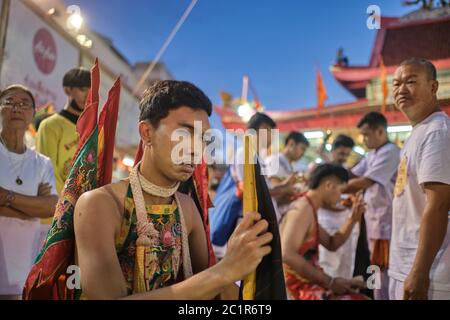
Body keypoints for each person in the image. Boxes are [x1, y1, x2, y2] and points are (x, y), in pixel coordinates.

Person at [73, 80, 273, 299]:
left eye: (204, 139)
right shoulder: (100, 204)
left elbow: (216, 289)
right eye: (185, 134)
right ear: (146, 132)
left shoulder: (186, 208)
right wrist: (223, 272)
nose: (197, 149)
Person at [389, 58, 450, 300]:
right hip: (404, 265)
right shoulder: (419, 131)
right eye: (396, 84)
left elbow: (439, 205)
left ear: (433, 87)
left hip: (430, 273)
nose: (401, 90)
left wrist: (420, 271)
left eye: (411, 82)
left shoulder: (437, 132)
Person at [210, 112, 296, 259]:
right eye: (270, 132)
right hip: (246, 221)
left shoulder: (255, 156)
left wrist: (284, 186)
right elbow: (252, 189)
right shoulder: (245, 153)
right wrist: (284, 188)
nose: (272, 137)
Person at [0, 85, 58, 299]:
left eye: (24, 104)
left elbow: (51, 207)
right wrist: (32, 208)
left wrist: (7, 197)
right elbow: (41, 208)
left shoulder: (41, 163)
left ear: (33, 113)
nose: (17, 108)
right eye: (9, 102)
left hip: (22, 269)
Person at [281, 163, 367, 300]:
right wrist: (330, 282)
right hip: (297, 288)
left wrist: (353, 219)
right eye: (340, 191)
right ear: (328, 186)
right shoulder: (302, 209)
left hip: (308, 283)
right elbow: (287, 254)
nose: (340, 198)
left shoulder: (309, 207)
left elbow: (332, 243)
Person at [345, 112, 400, 300]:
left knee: (384, 269)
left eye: (367, 134)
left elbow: (365, 181)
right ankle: (377, 296)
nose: (364, 139)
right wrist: (332, 173)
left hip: (386, 223)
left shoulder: (391, 151)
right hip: (373, 222)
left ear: (380, 131)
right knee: (375, 268)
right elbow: (352, 174)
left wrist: (335, 187)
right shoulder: (372, 154)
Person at [36, 68, 91, 195]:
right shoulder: (50, 126)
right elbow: (48, 172)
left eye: (91, 92)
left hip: (81, 208)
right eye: (83, 90)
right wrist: (66, 206)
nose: (88, 96)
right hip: (54, 208)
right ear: (68, 90)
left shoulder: (92, 131)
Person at [316, 135, 359, 279]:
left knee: (346, 262)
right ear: (333, 151)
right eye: (341, 153)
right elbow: (318, 198)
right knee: (329, 264)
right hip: (327, 221)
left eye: (347, 154)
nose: (344, 157)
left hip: (346, 222)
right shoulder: (321, 171)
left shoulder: (349, 173)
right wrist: (342, 206)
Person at [266, 131, 309, 218]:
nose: (303, 154)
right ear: (291, 143)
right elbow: (273, 188)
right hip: (272, 213)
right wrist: (291, 189)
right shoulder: (275, 161)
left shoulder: (289, 165)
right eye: (302, 148)